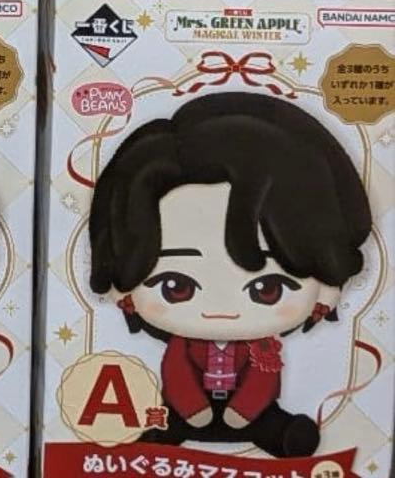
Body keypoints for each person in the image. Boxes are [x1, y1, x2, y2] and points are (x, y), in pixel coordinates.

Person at [88, 93, 372, 458]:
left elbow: (263, 378)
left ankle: (282, 436)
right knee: (168, 423)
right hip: (187, 409)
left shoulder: (263, 349)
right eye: (176, 287)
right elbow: (176, 372)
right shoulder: (184, 346)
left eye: (267, 288)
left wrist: (244, 411)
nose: (220, 309)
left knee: (271, 425)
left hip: (252, 412)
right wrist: (193, 408)